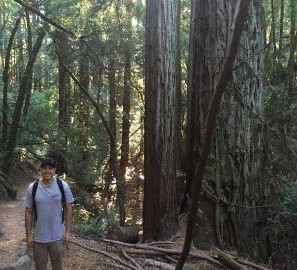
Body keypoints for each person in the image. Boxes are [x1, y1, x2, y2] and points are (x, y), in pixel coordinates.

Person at [24, 157, 74, 270]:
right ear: (40, 170)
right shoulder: (33, 188)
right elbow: (28, 212)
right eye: (45, 168)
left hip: (57, 238)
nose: (47, 171)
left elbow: (68, 209)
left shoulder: (63, 186)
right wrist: (28, 236)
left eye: (50, 168)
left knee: (58, 268)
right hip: (39, 239)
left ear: (54, 170)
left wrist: (67, 232)